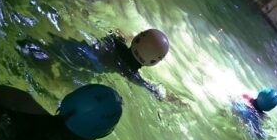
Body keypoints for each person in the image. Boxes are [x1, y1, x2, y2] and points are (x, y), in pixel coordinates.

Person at [18, 28, 171, 100]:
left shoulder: (115, 41)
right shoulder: (129, 72)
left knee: (36, 47)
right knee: (57, 82)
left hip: (78, 50)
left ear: (137, 38)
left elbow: (115, 34)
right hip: (86, 69)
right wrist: (162, 95)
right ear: (153, 62)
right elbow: (150, 88)